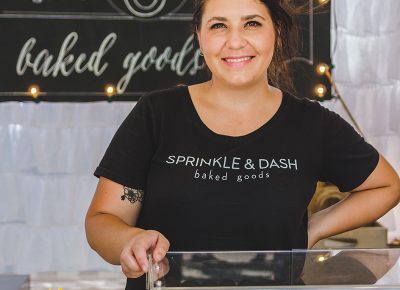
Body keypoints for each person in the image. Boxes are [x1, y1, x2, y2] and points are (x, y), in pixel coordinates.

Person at [85, 0, 400, 289]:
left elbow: (386, 186)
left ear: (275, 30)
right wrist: (131, 240)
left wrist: (313, 228)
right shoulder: (157, 113)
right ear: (199, 35)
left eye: (252, 23)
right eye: (219, 25)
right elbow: (102, 221)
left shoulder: (311, 124)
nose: (235, 41)